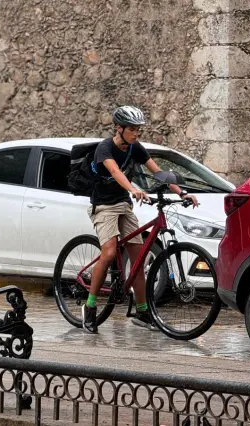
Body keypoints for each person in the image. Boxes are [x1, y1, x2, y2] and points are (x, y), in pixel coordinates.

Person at [82, 106, 199, 334]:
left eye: (138, 130)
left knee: (137, 260)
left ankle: (143, 312)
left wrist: (182, 193)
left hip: (123, 205)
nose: (136, 134)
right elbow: (115, 172)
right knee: (108, 252)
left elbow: (158, 173)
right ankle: (90, 307)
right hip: (104, 206)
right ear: (119, 128)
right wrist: (134, 189)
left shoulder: (135, 148)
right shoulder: (104, 148)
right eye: (132, 130)